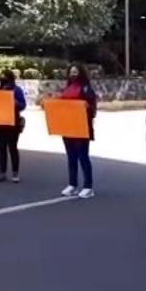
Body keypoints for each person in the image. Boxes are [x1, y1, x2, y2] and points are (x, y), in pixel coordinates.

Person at [59, 64, 97, 199]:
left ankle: (88, 186)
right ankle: (72, 184)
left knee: (83, 156)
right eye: (71, 72)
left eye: (76, 72)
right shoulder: (67, 88)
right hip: (67, 127)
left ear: (81, 73)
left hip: (81, 127)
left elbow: (93, 107)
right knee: (71, 157)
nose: (73, 74)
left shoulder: (86, 88)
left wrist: (87, 106)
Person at [0, 70, 27, 183]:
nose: (3, 79)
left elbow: (23, 105)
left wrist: (15, 102)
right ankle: (2, 172)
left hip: (12, 122)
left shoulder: (16, 90)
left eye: (5, 77)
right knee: (1, 148)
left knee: (12, 147)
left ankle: (15, 172)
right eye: (1, 77)